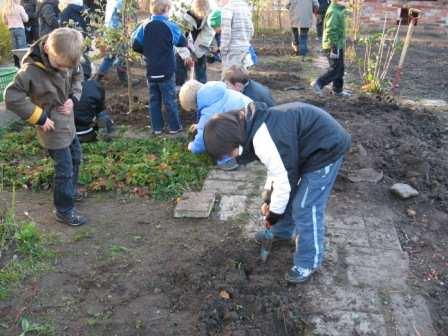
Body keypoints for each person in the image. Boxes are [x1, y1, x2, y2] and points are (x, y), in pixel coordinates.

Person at [203, 102, 351, 283]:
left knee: (305, 205)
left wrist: (273, 215)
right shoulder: (251, 127)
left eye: (228, 153)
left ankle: (308, 261)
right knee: (286, 195)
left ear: (232, 141)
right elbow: (276, 169)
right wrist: (268, 196)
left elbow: (284, 181)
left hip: (326, 148)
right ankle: (282, 232)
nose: (230, 157)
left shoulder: (262, 138)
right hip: (305, 149)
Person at [5, 28, 87, 226]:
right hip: (50, 127)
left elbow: (78, 75)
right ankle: (64, 210)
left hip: (68, 123)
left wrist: (73, 98)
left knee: (76, 158)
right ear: (48, 49)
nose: (62, 69)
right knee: (64, 168)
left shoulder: (67, 58)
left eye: (66, 66)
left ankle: (70, 190)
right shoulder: (30, 71)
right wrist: (40, 117)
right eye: (59, 65)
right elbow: (12, 97)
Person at [132, 0, 189, 135]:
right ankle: (174, 127)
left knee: (154, 100)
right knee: (169, 99)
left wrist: (148, 51)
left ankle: (157, 128)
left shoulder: (144, 25)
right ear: (167, 9)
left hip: (151, 69)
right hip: (167, 70)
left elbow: (135, 44)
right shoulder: (170, 25)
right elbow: (182, 42)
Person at [179, 79, 252, 170]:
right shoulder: (214, 92)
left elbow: (203, 137)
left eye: (194, 109)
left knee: (214, 134)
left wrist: (193, 147)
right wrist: (199, 125)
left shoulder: (209, 110)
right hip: (253, 118)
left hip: (247, 130)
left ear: (195, 104)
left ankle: (228, 161)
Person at [311, 0, 350, 97]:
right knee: (335, 69)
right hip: (332, 45)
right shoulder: (334, 11)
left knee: (340, 68)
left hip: (338, 44)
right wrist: (334, 47)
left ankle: (337, 90)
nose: (347, 2)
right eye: (345, 0)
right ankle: (318, 83)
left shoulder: (339, 10)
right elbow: (331, 30)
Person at [178, 0, 215, 84]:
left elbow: (207, 36)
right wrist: (186, 55)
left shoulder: (209, 16)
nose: (202, 16)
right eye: (200, 14)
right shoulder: (183, 18)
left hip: (200, 48)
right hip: (184, 47)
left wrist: (196, 54)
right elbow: (179, 39)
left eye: (205, 14)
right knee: (180, 71)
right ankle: (179, 90)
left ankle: (202, 89)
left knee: (201, 71)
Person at [74, 77, 116, 142]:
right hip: (86, 133)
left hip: (64, 135)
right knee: (102, 113)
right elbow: (100, 110)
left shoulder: (61, 83)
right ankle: (108, 137)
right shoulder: (94, 86)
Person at [219, 0, 254, 71]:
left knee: (229, 79)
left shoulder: (228, 8)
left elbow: (226, 33)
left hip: (232, 50)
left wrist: (223, 53)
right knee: (242, 78)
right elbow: (251, 30)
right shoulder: (246, 7)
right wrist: (246, 42)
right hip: (245, 48)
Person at [1, 0, 29, 67]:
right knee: (22, 49)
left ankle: (17, 67)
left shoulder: (5, 9)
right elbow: (26, 19)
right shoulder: (19, 7)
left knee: (15, 50)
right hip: (19, 29)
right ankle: (24, 66)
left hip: (11, 30)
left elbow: (4, 21)